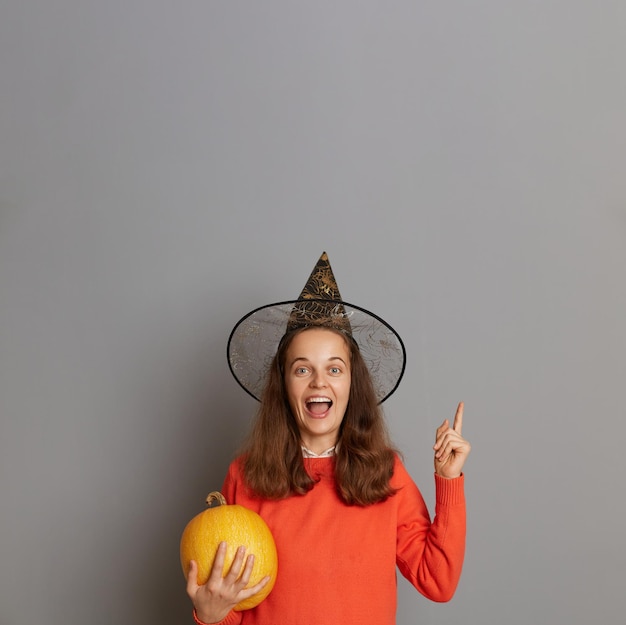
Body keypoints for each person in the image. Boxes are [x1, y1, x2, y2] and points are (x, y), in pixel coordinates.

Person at [186, 252, 471, 625]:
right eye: (302, 368)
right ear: (283, 384)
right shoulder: (246, 476)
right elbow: (234, 610)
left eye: (334, 368)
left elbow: (438, 580)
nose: (319, 382)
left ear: (352, 383)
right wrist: (210, 616)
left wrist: (448, 481)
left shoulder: (385, 472)